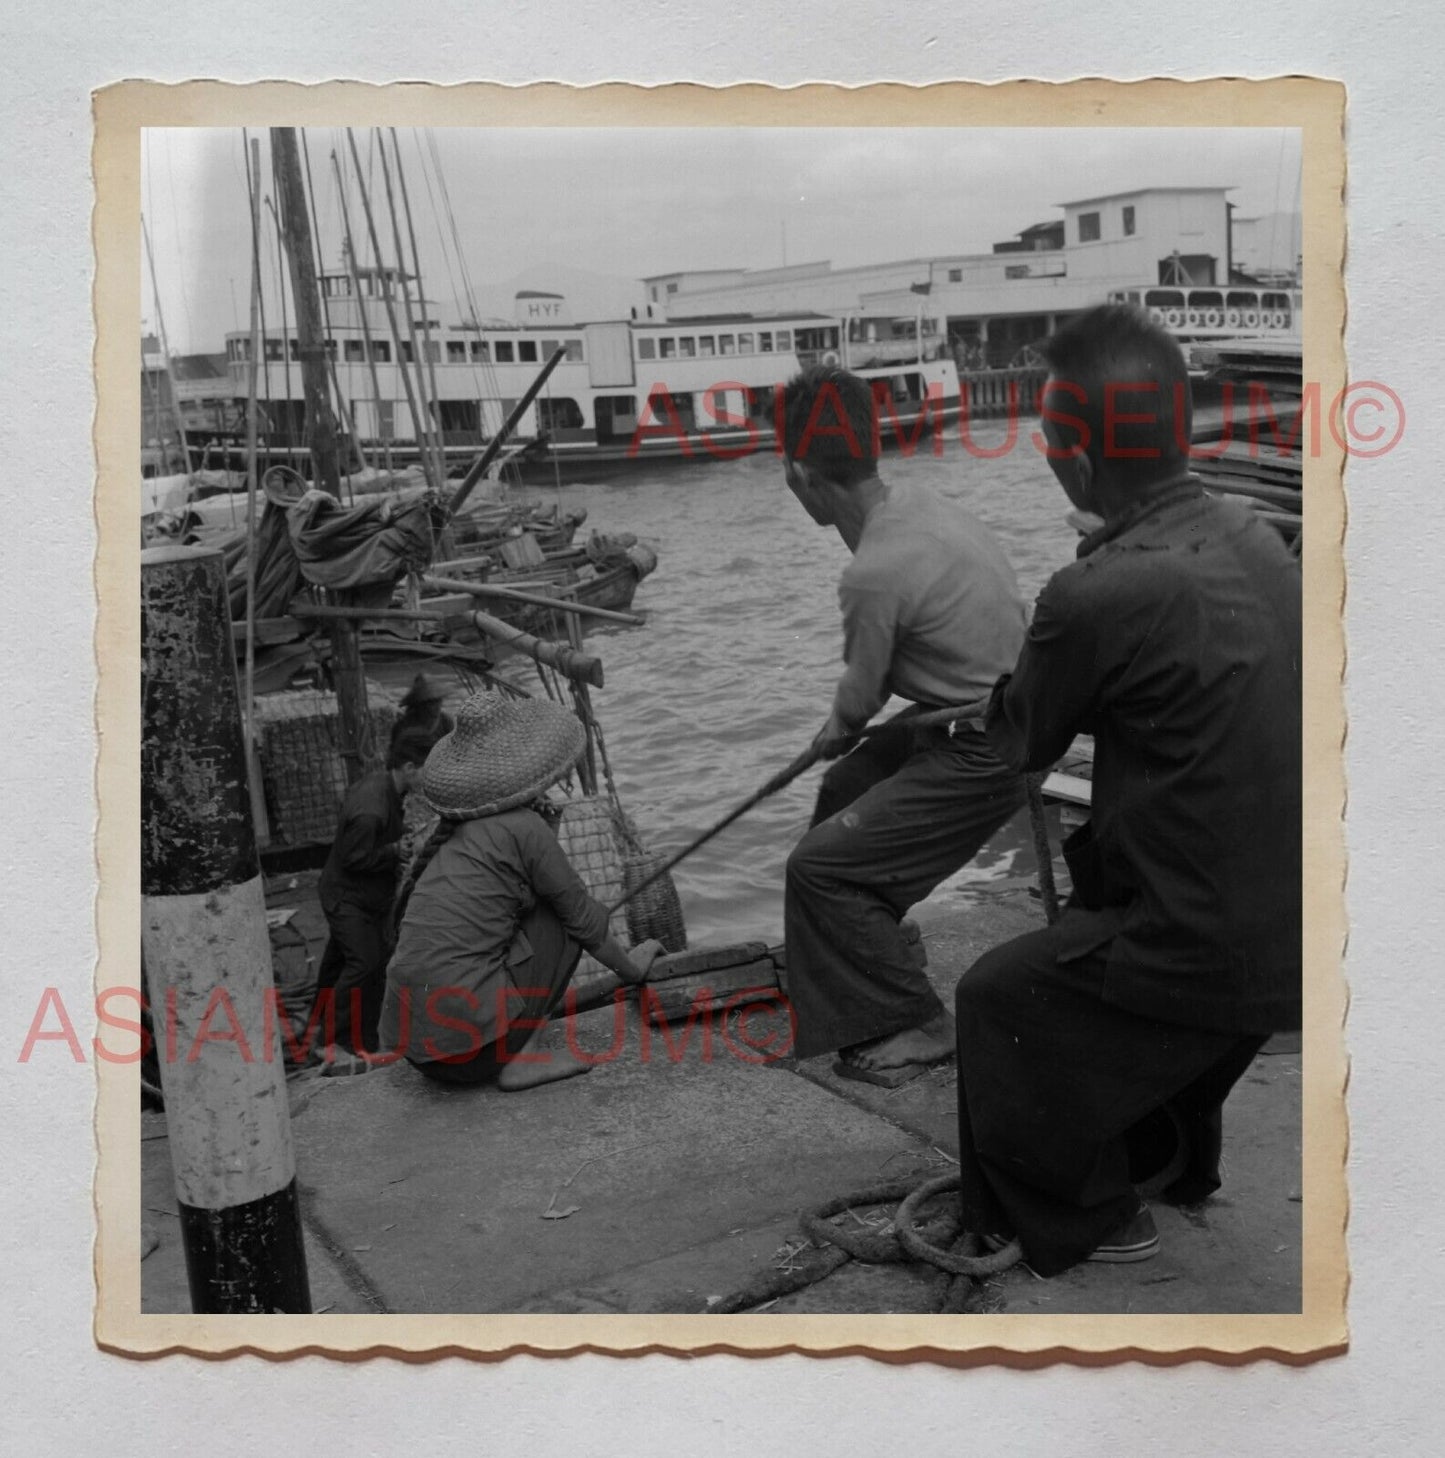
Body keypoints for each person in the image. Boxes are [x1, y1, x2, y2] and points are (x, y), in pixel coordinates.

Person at [953, 303, 1302, 1275]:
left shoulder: (1094, 589)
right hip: (1307, 934)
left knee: (992, 1000)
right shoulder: (1259, 535)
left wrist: (1064, 591)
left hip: (1217, 955)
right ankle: (1176, 1158)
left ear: (1068, 457)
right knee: (1116, 878)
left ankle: (1093, 1215)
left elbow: (1016, 740)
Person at [778, 365, 1029, 1084]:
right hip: (977, 718)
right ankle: (871, 956)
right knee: (842, 792)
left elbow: (856, 705)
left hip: (986, 747)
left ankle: (921, 1020)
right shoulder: (923, 506)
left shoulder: (871, 571)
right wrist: (842, 737)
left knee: (816, 869)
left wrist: (831, 726)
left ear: (799, 475)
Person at [378, 690, 664, 1091]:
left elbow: (505, 893)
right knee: (569, 921)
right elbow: (584, 921)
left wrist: (545, 834)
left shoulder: (459, 834)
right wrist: (633, 969)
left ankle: (516, 1034)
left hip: (424, 1057)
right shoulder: (523, 828)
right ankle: (525, 1054)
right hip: (473, 1055)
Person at [313, 725, 436, 1058]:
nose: (430, 777)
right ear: (409, 768)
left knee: (337, 963)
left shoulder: (386, 788)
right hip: (346, 897)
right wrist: (395, 852)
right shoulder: (372, 809)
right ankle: (330, 1040)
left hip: (359, 894)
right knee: (365, 964)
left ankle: (342, 1032)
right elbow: (354, 858)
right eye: (428, 769)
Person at [389, 671, 455, 758]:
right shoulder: (403, 727)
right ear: (420, 705)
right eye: (431, 703)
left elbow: (456, 750)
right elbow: (395, 758)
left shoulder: (446, 722)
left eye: (438, 701)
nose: (437, 707)